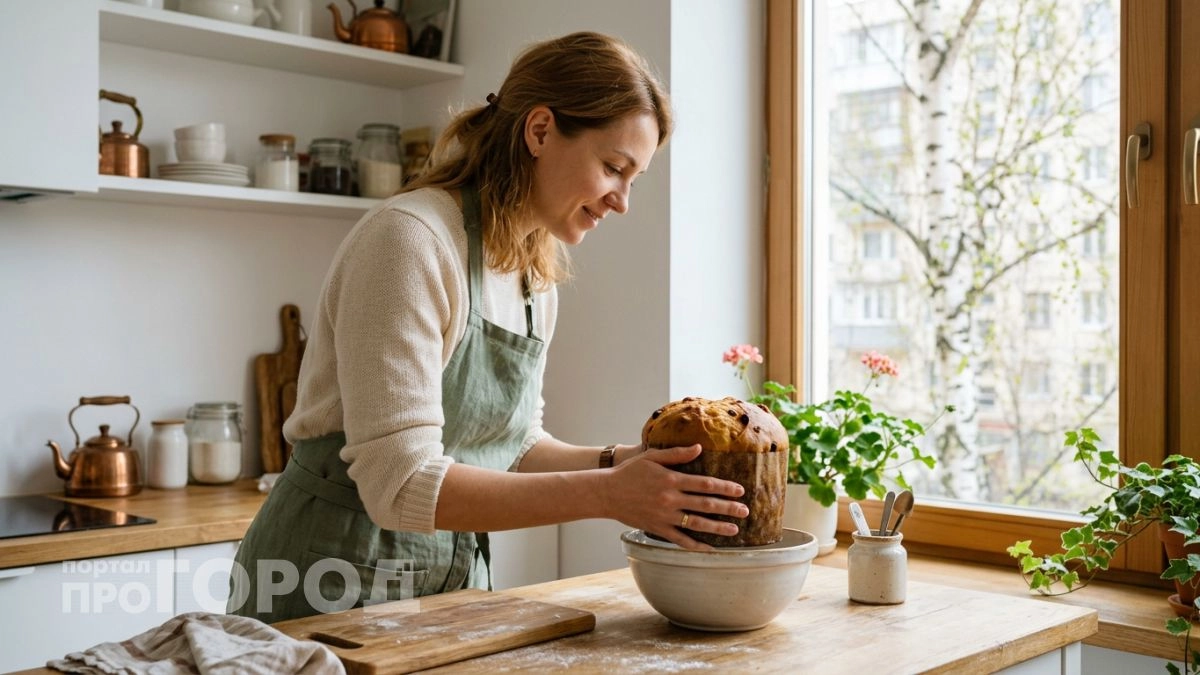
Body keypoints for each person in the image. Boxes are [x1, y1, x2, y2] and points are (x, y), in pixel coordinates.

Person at [228, 31, 748, 624]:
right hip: (325, 579)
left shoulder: (534, 271)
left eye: (634, 179)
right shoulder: (411, 241)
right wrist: (609, 495)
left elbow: (514, 444)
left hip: (450, 581)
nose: (621, 201)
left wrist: (619, 463)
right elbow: (398, 483)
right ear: (540, 130)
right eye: (613, 168)